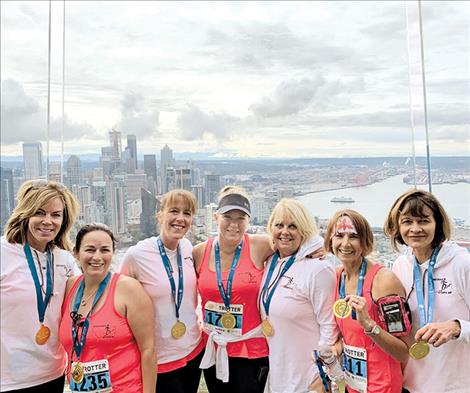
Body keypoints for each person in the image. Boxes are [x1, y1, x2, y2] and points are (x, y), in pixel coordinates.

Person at [384, 189, 470, 393]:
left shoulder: (461, 264)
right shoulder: (400, 266)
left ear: (437, 224)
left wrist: (458, 327)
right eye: (407, 221)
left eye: (423, 221)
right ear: (398, 227)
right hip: (411, 384)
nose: (415, 229)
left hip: (457, 385)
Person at [120, 189, 203, 393]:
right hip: (160, 358)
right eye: (174, 211)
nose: (180, 218)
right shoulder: (136, 255)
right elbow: (120, 299)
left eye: (187, 213)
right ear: (160, 215)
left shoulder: (186, 247)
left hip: (194, 350)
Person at [193, 186, 274, 393]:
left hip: (250, 350)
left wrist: (315, 250)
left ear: (249, 221)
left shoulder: (260, 245)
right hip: (213, 347)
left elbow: (296, 242)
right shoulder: (199, 252)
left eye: (241, 218)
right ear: (216, 216)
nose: (234, 224)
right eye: (228, 216)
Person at [1, 179, 79, 392]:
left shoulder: (65, 259)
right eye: (39, 213)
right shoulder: (3, 252)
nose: (48, 221)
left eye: (56, 215)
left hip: (53, 373)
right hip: (8, 379)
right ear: (25, 214)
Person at [59, 223, 156, 393]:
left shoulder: (129, 289)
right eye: (90, 250)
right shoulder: (70, 287)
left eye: (104, 250)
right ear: (76, 253)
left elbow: (148, 349)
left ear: (113, 252)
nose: (97, 257)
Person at [325, 209, 412, 393]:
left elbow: (404, 351)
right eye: (339, 235)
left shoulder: (384, 281)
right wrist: (338, 346)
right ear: (330, 240)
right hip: (352, 384)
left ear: (365, 241)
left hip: (383, 386)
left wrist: (370, 326)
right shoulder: (336, 277)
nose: (345, 244)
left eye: (354, 236)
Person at [260, 198, 339, 393]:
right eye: (279, 225)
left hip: (308, 380)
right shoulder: (271, 261)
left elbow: (329, 325)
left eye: (293, 226)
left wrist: (324, 374)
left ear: (304, 230)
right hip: (279, 376)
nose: (285, 232)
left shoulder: (318, 268)